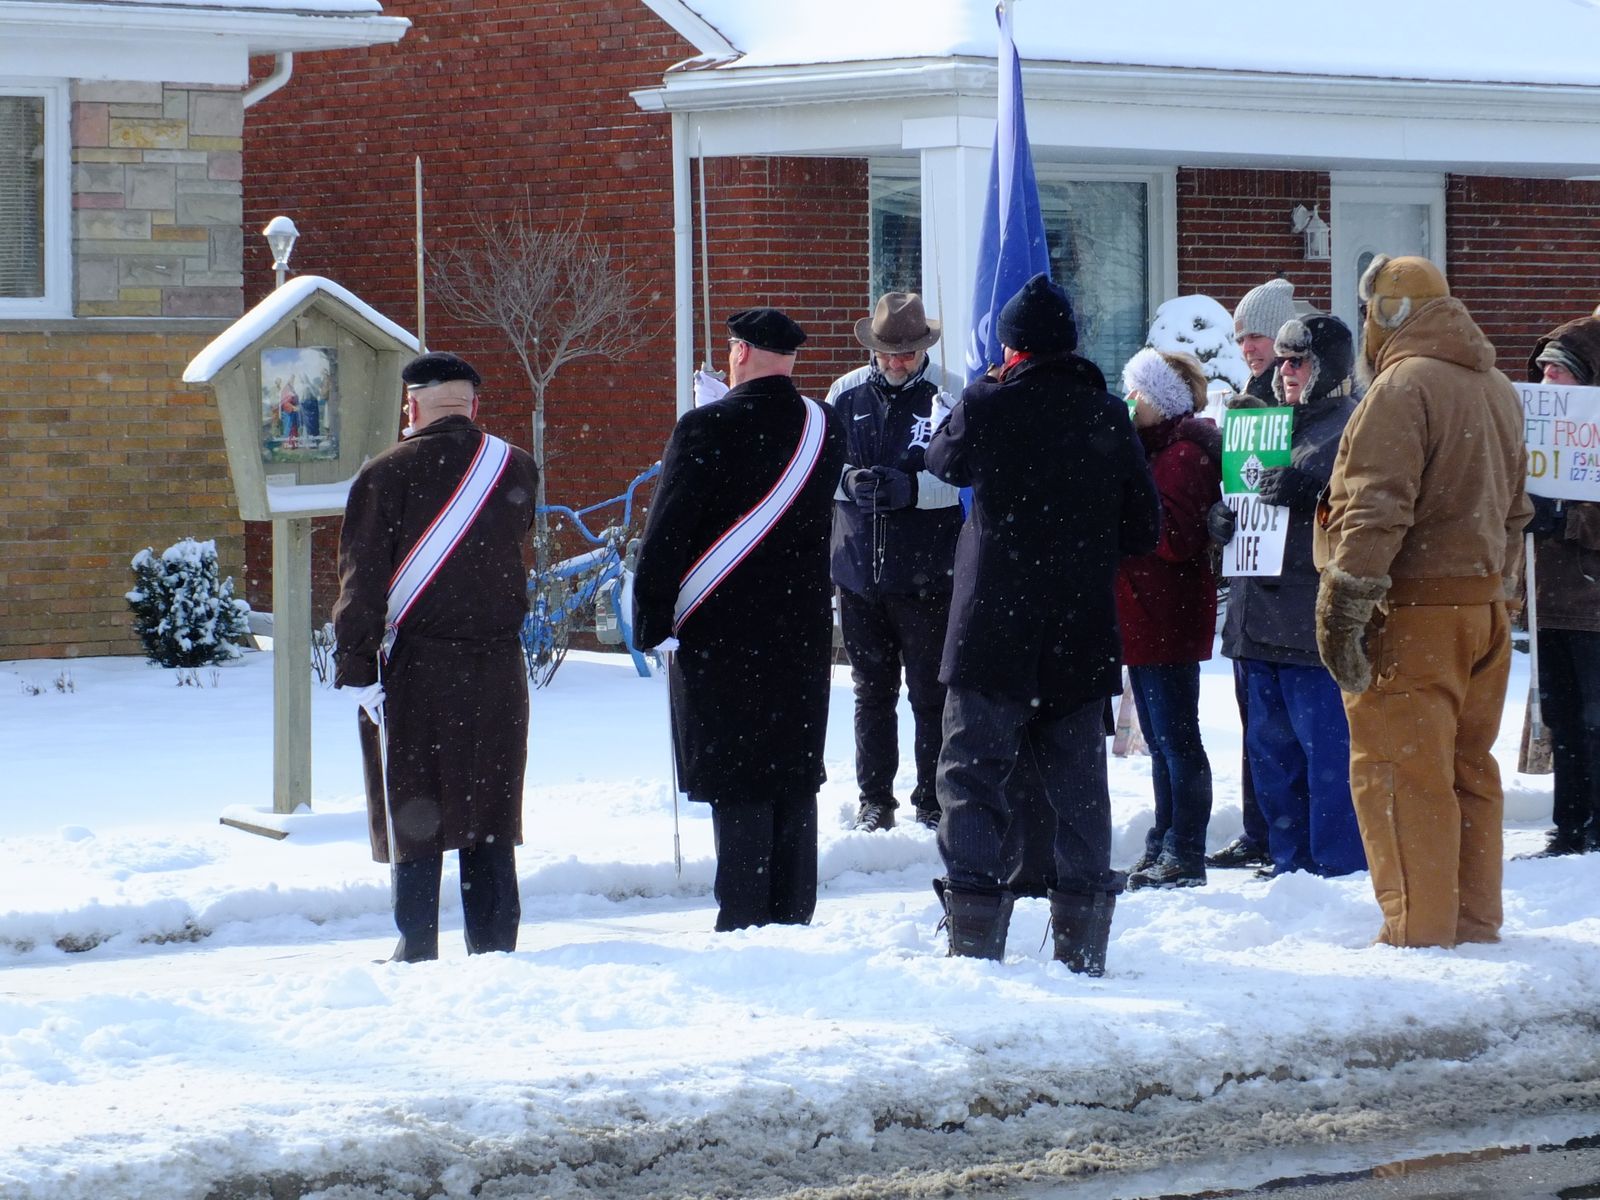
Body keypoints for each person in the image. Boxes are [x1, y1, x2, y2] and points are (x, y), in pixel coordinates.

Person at [926, 273, 1161, 971]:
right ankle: (1083, 940)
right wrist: (1081, 549)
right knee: (1079, 784)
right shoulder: (1107, 416)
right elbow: (1143, 528)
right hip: (1078, 628)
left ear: (1010, 346)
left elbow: (941, 460)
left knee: (971, 776)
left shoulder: (988, 405)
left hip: (993, 626)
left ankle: (972, 934)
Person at [1316, 255, 1532, 948]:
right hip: (1482, 608)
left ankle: (1419, 931)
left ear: (1387, 313)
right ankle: (1471, 920)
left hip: (1412, 613)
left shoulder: (1404, 387)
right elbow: (1517, 512)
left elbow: (1376, 507)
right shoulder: (1494, 384)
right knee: (1469, 769)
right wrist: (1495, 587)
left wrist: (1347, 603)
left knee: (1399, 771)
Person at [631, 308, 846, 932]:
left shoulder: (704, 427)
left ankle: (745, 915)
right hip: (800, 628)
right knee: (791, 773)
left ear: (742, 353)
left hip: (723, 629)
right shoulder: (824, 426)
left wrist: (651, 623)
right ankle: (792, 908)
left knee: (740, 777)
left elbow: (666, 535)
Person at [332, 351, 539, 963]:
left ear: (411, 405)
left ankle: (416, 943)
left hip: (419, 664)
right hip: (499, 663)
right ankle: (495, 941)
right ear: (473, 405)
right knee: (491, 809)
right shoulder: (515, 465)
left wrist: (355, 667)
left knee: (416, 806)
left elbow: (361, 582)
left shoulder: (385, 472)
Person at [1211, 316, 1366, 880]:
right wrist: (1220, 521)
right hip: (1257, 616)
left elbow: (1374, 514)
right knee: (1272, 759)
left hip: (1309, 618)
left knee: (1325, 758)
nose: (1286, 371)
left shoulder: (1352, 427)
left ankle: (1335, 868)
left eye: (1299, 360)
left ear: (1329, 367)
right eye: (1282, 360)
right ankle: (1289, 863)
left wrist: (1317, 496)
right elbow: (1235, 498)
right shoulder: (1261, 424)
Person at [827, 292, 963, 833]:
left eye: (905, 353)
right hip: (859, 570)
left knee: (930, 692)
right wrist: (850, 481)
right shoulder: (844, 393)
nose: (896, 361)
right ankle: (874, 800)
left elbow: (965, 478)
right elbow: (821, 467)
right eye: (887, 352)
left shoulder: (950, 393)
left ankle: (931, 799)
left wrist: (914, 490)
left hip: (927, 570)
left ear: (923, 349)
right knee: (871, 692)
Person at [1116, 348, 1222, 890]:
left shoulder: (1182, 456)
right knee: (1160, 741)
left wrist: (1126, 511)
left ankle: (1185, 850)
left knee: (1178, 739)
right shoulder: (1154, 451)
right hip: (1144, 611)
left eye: (1139, 392)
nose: (1129, 401)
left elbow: (1177, 539)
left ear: (1163, 400)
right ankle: (1164, 838)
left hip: (1168, 613)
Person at [1206, 277, 1302, 870]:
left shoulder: (1300, 402)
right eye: (1241, 338)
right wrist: (1221, 514)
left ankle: (1280, 831)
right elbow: (1235, 485)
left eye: (1259, 336)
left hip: (1286, 585)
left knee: (1283, 727)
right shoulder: (1245, 400)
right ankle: (1258, 827)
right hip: (1249, 577)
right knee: (1253, 720)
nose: (1249, 348)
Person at [1519, 318, 1600, 857]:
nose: (1548, 377)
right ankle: (1569, 826)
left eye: (1561, 369)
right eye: (1543, 366)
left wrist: (1565, 520)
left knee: (1594, 723)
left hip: (1594, 608)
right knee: (1564, 724)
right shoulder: (1533, 431)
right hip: (1551, 603)